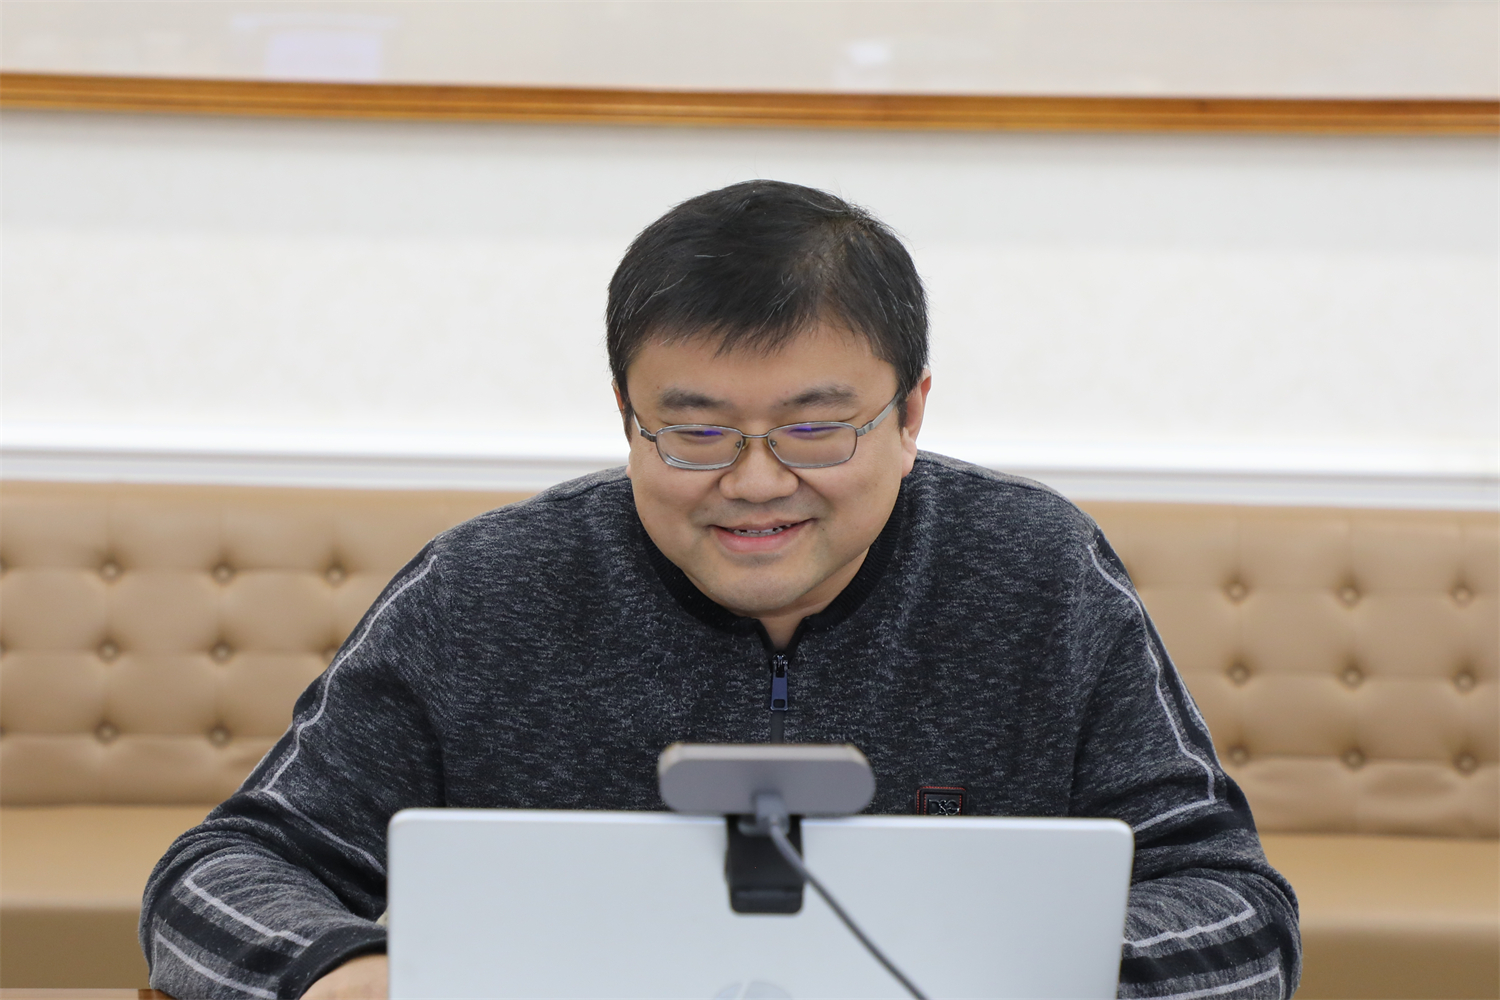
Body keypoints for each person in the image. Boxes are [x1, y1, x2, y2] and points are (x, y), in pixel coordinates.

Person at [141, 180, 1300, 999]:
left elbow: (1239, 913)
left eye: (815, 427)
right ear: (626, 419)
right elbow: (216, 879)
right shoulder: (486, 590)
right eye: (695, 432)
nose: (754, 483)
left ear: (911, 414)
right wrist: (345, 975)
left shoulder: (1038, 571)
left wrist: (1020, 976)